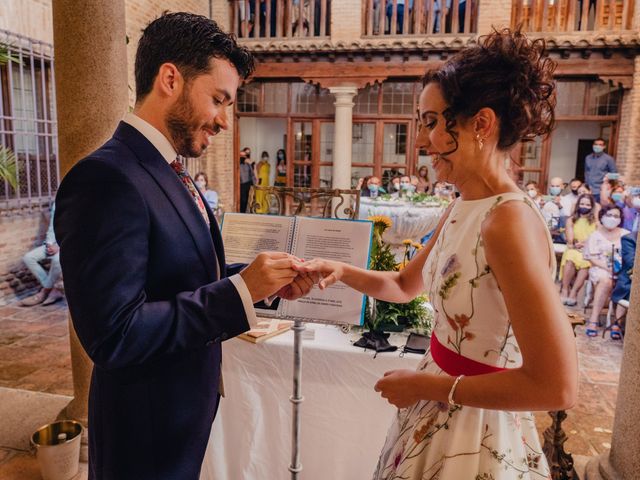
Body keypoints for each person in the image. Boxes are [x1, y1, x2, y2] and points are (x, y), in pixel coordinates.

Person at [294, 28, 576, 479]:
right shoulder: (461, 205)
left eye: (430, 122)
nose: (424, 143)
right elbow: (404, 286)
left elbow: (556, 385)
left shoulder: (507, 222)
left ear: (479, 124)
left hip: (474, 424)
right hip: (438, 401)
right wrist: (340, 269)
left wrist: (429, 386)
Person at [54, 13, 313, 479]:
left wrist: (264, 284)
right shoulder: (105, 179)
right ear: (170, 78)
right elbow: (115, 334)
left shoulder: (166, 167)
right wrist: (238, 292)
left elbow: (179, 270)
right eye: (218, 99)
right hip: (143, 434)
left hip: (179, 417)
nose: (224, 122)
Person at [583, 204, 629, 337]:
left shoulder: (626, 234)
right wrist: (607, 267)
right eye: (609, 215)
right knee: (605, 281)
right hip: (600, 267)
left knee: (625, 282)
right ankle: (593, 320)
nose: (612, 218)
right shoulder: (595, 235)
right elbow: (591, 258)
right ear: (602, 216)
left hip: (621, 269)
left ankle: (617, 323)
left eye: (616, 216)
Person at [20, 202, 64, 306]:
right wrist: (49, 243)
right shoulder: (56, 203)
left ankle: (45, 291)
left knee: (57, 260)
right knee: (28, 258)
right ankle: (52, 288)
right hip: (52, 244)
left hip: (65, 246)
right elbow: (52, 227)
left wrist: (60, 246)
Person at [559, 194, 598, 306]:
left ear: (591, 206)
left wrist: (585, 245)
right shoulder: (571, 219)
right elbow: (570, 240)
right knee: (571, 257)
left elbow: (595, 238)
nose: (584, 206)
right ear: (578, 205)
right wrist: (576, 244)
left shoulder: (595, 222)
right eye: (582, 204)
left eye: (587, 204)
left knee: (586, 262)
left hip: (588, 250)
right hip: (573, 248)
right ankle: (565, 289)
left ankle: (574, 292)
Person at [610, 230, 637, 336]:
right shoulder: (630, 239)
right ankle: (618, 323)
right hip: (629, 277)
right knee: (630, 289)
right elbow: (632, 262)